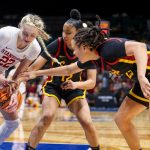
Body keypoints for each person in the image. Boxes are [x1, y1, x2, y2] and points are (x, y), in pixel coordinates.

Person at [21, 23, 150, 150]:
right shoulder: (95, 58)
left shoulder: (107, 48)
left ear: (84, 47)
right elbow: (68, 70)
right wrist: (36, 73)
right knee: (122, 120)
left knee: (123, 119)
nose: (74, 54)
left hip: (145, 76)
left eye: (75, 49)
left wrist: (141, 76)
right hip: (145, 80)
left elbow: (140, 47)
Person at [25, 9, 100, 150]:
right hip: (54, 86)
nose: (64, 35)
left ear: (78, 33)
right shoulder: (57, 44)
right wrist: (18, 79)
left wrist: (75, 84)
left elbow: (92, 82)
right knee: (47, 116)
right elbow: (34, 67)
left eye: (68, 32)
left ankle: (96, 148)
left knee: (87, 121)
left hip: (75, 89)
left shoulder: (87, 48)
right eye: (63, 31)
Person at [0, 14, 49, 144]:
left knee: (13, 123)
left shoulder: (35, 49)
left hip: (1, 75)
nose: (28, 38)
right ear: (20, 27)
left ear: (38, 34)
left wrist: (14, 91)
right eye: (25, 33)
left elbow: (19, 74)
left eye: (32, 35)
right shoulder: (5, 34)